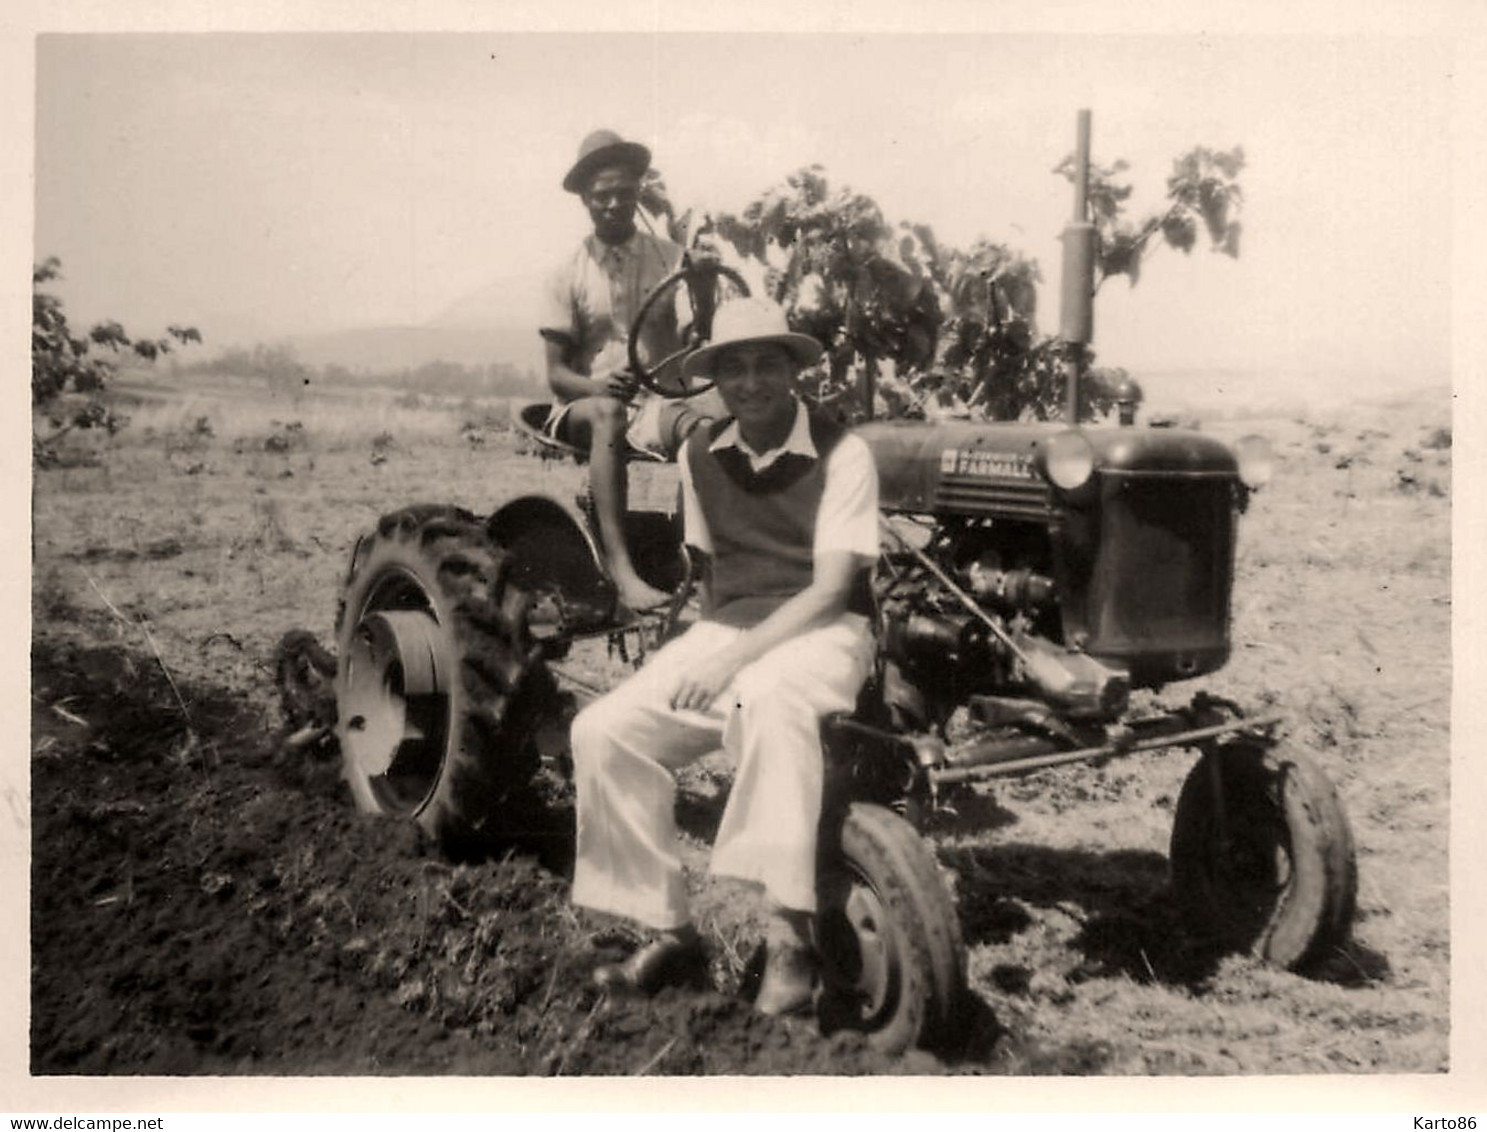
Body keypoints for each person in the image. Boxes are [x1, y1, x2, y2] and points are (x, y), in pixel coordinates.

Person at [568, 297, 880, 1016]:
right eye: (732, 368)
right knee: (602, 731)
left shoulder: (844, 452)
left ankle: (789, 938)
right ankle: (665, 928)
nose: (749, 382)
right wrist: (708, 652)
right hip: (729, 631)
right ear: (714, 380)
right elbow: (713, 574)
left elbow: (833, 591)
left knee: (768, 697)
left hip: (821, 633)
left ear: (793, 369)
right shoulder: (698, 453)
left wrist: (731, 658)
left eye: (765, 363)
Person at [540, 128, 721, 613]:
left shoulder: (671, 258)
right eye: (602, 196)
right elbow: (556, 375)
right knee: (608, 416)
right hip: (586, 406)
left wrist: (702, 288)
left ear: (639, 191)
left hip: (656, 401)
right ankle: (621, 572)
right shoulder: (567, 272)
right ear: (584, 200)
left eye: (625, 192)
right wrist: (598, 386)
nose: (614, 204)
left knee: (704, 427)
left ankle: (705, 566)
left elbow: (696, 336)